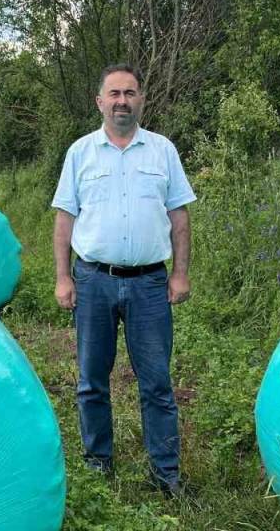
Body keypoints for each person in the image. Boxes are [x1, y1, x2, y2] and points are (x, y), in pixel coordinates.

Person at [50, 63, 195, 497]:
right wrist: (63, 278)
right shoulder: (80, 153)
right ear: (99, 101)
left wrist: (180, 273)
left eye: (130, 93)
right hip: (93, 281)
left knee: (157, 383)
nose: (122, 102)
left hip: (150, 284)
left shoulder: (163, 151)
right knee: (92, 381)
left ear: (141, 100)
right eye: (114, 94)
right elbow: (64, 219)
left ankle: (166, 474)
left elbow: (179, 216)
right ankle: (98, 464)